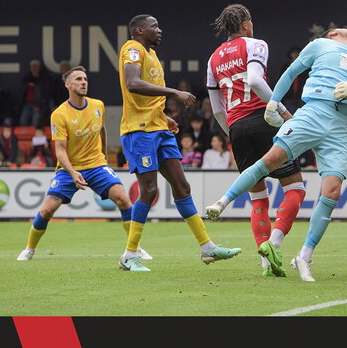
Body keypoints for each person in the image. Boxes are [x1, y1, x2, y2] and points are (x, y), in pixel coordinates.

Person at [205, 27, 347, 282]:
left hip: (340, 127)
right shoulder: (320, 45)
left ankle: (304, 257)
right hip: (313, 111)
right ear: (331, 36)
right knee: (271, 160)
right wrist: (274, 102)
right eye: (340, 29)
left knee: (332, 190)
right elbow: (290, 72)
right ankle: (222, 202)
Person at [117, 14, 240, 272]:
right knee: (149, 191)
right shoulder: (133, 48)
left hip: (158, 128)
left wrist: (164, 117)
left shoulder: (151, 55)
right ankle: (129, 255)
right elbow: (132, 84)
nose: (159, 30)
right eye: (155, 26)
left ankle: (207, 248)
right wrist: (174, 92)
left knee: (182, 187)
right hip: (139, 132)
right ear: (139, 30)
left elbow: (145, 100)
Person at [206, 3, 307, 277]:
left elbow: (217, 109)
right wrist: (286, 114)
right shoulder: (255, 44)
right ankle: (274, 243)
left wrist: (232, 132)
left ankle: (265, 265)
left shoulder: (213, 58)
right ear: (246, 23)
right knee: (295, 189)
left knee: (259, 199)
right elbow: (255, 80)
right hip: (264, 121)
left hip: (236, 127)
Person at [17, 66, 152, 262]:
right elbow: (60, 150)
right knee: (47, 210)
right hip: (68, 168)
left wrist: (104, 160)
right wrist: (72, 173)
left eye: (85, 79)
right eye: (79, 79)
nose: (83, 82)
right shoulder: (59, 114)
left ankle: (136, 247)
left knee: (123, 199)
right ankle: (29, 249)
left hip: (97, 165)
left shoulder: (98, 105)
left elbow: (103, 132)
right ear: (68, 84)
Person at [19, 60, 53, 127]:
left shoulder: (44, 79)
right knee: (23, 119)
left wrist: (38, 105)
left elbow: (46, 95)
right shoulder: (26, 79)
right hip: (28, 104)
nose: (34, 69)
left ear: (39, 68)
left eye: (36, 67)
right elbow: (22, 94)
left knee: (36, 117)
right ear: (30, 69)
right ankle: (25, 136)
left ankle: (34, 136)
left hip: (40, 105)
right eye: (33, 67)